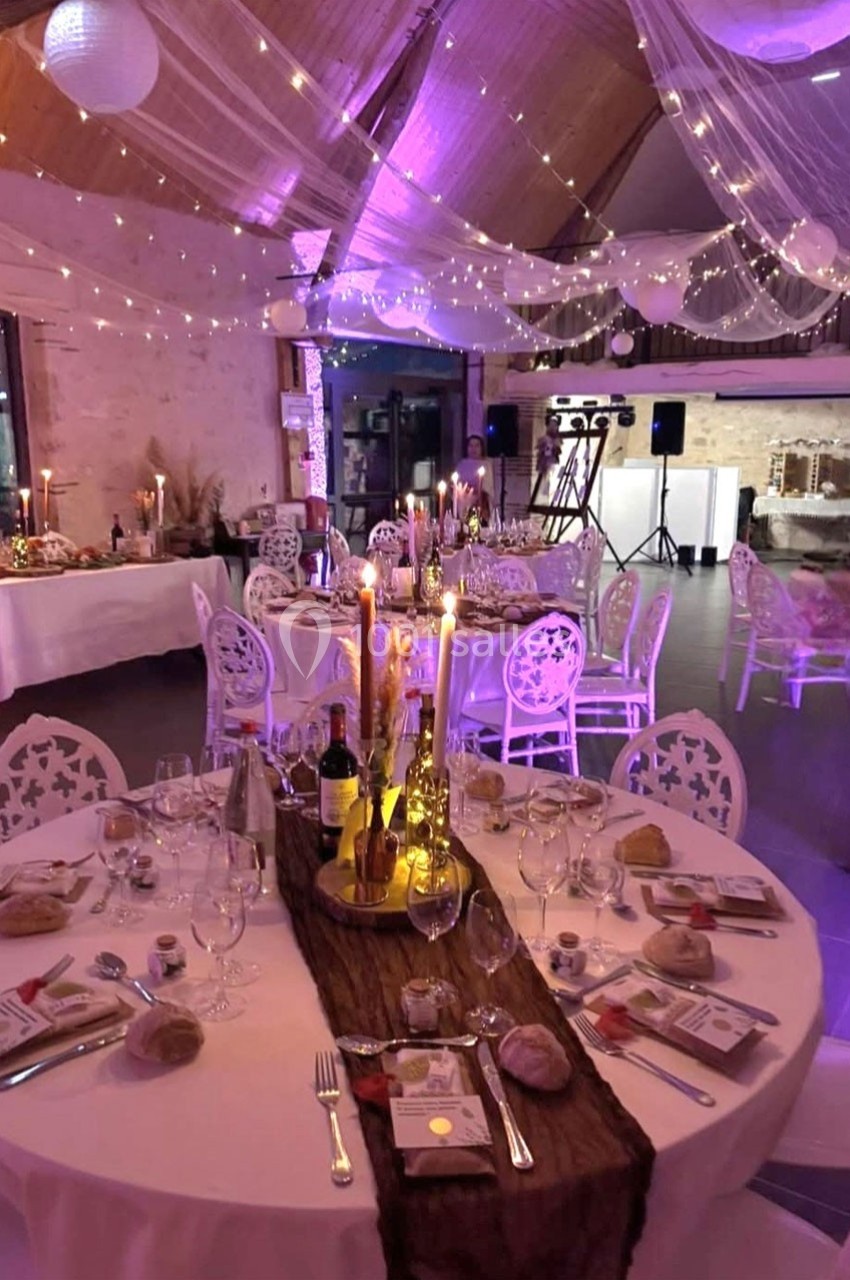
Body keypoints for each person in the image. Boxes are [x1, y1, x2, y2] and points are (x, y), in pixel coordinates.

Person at [454, 433, 494, 521]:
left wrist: (473, 490)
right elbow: (455, 483)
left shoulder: (486, 464)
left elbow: (487, 486)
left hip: (479, 504)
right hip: (463, 503)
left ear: (481, 448)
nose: (473, 449)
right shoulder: (462, 464)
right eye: (471, 446)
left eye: (477, 446)